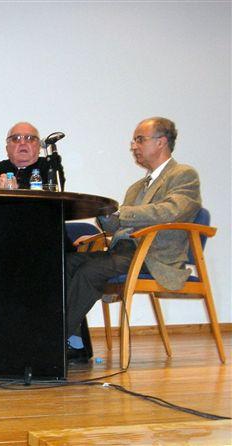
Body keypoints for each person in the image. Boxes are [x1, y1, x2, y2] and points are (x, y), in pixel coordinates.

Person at [66, 117, 201, 360]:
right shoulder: (137, 187)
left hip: (154, 255)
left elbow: (171, 210)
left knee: (90, 271)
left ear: (161, 142)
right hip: (125, 252)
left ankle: (51, 343)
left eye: (140, 139)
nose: (134, 146)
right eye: (134, 141)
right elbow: (120, 223)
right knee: (65, 263)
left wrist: (121, 214)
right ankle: (72, 343)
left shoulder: (183, 175)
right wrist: (105, 220)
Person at [0, 121, 65, 190]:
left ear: (39, 146)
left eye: (30, 138)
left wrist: (17, 189)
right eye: (16, 139)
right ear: (7, 148)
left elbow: (54, 201)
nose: (23, 143)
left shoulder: (49, 166)